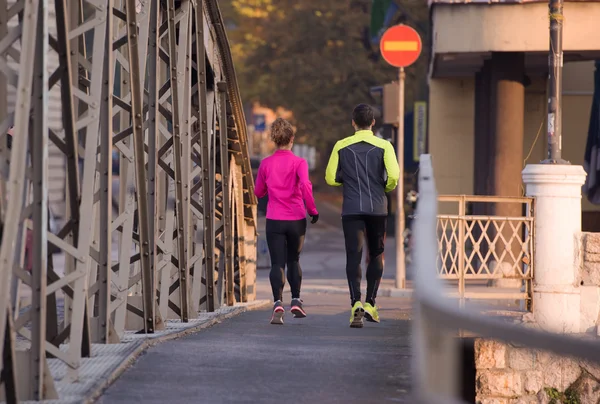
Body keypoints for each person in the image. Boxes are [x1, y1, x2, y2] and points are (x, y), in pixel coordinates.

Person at [325, 104, 400, 328]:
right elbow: (394, 176)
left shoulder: (341, 145)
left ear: (353, 123)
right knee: (376, 254)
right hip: (377, 207)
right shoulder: (384, 145)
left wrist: (344, 181)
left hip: (351, 208)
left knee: (354, 255)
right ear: (373, 123)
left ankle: (355, 302)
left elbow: (330, 178)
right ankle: (370, 304)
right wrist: (384, 187)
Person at [254, 118, 319, 325]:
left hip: (275, 219)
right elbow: (306, 187)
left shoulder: (265, 163)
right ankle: (296, 300)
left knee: (276, 263)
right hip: (296, 219)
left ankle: (277, 303)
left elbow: (258, 191)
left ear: (274, 140)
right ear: (292, 139)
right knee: (293, 260)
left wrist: (269, 189)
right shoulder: (299, 163)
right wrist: (312, 210)